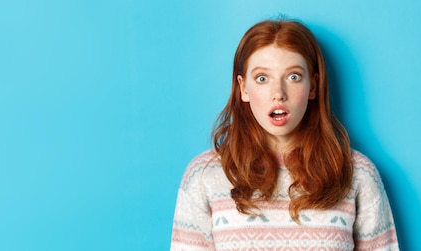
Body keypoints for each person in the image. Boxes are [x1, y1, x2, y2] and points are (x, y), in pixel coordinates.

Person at [170, 19, 399, 250]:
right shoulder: (203, 176)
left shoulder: (357, 174)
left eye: (293, 77)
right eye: (262, 78)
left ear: (313, 86)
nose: (278, 94)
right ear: (243, 88)